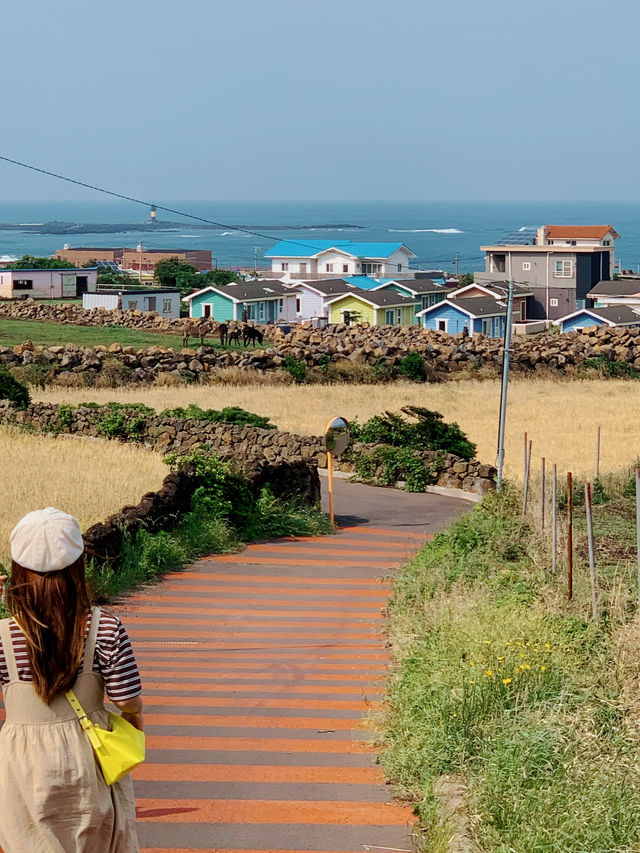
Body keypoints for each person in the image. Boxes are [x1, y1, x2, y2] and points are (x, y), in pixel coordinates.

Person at [0, 507, 143, 853]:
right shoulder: (105, 628)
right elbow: (128, 702)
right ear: (79, 564)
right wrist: (132, 725)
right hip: (90, 755)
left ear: (18, 569)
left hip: (22, 763)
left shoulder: (3, 636)